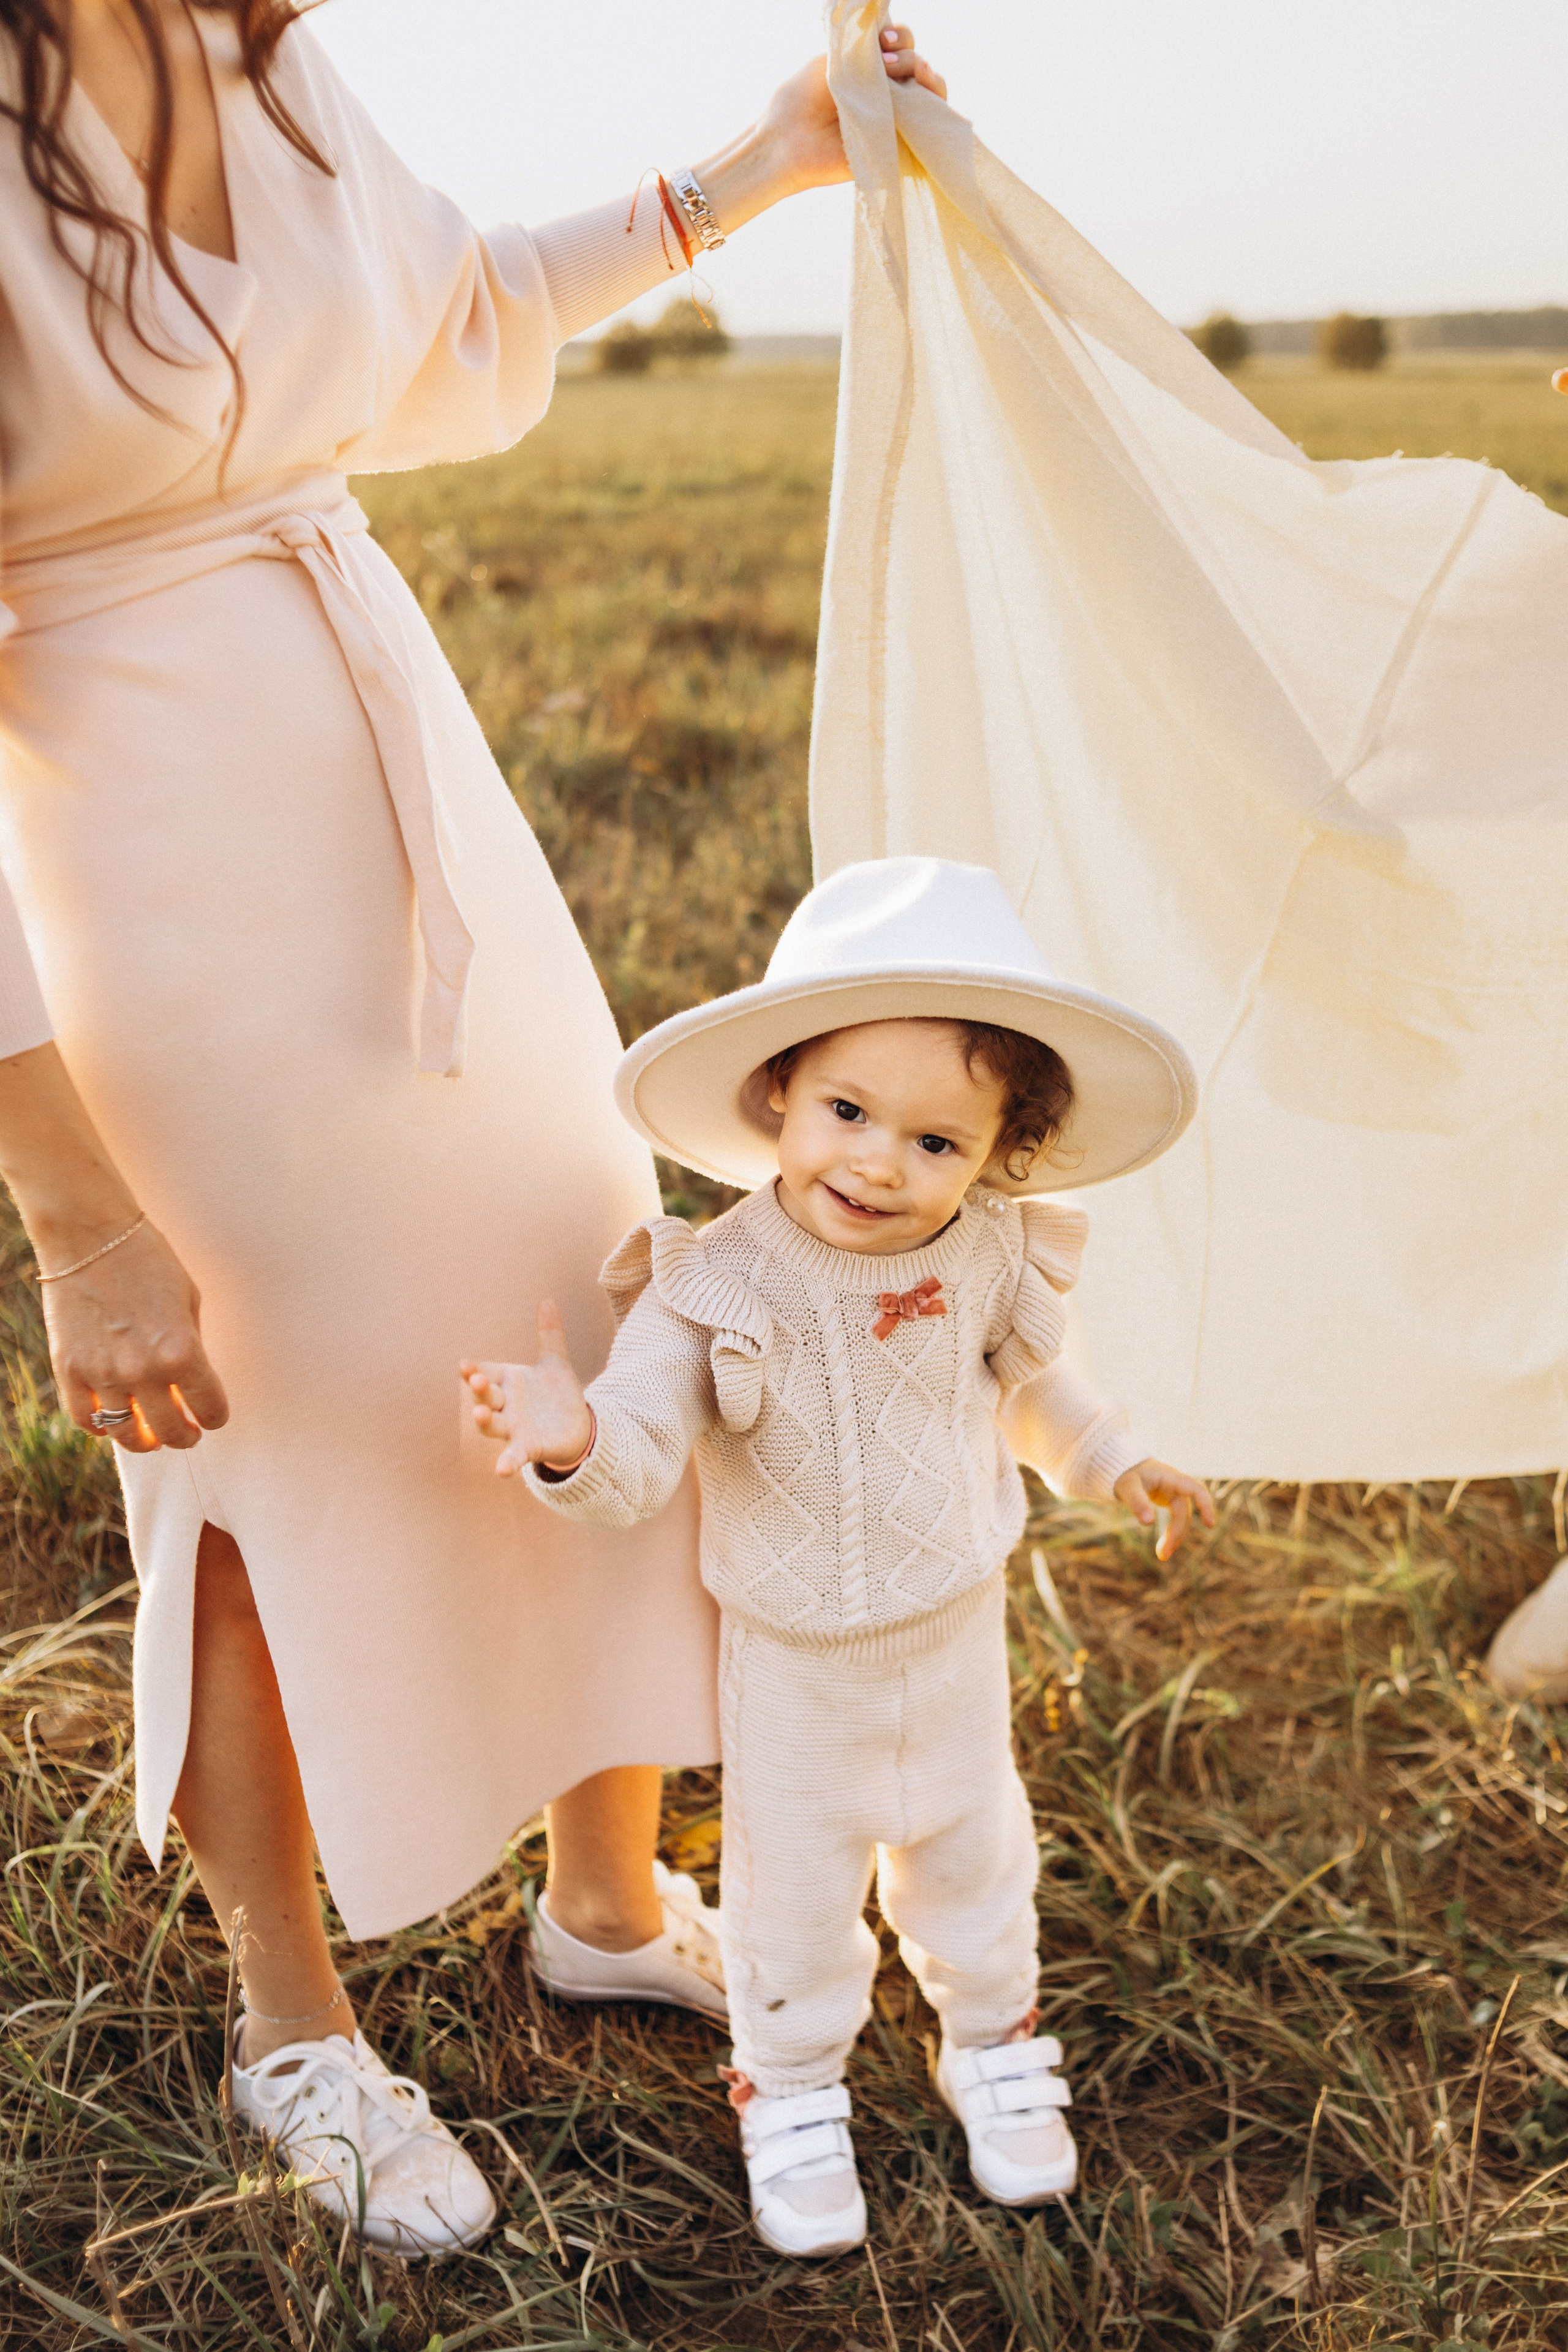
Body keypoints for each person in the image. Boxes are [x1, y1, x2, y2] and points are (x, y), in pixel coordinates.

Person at [0, 0, 946, 2256]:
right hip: (152, 879)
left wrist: (768, 162)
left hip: (419, 820)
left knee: (584, 1281)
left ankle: (603, 1902)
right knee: (268, 1428)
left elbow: (462, 317)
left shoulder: (258, 63)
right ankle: (293, 2029)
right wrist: (74, 1213)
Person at [464, 856, 1216, 2258]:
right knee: (794, 1891)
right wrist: (574, 1433)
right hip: (796, 1661)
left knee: (972, 1848)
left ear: (995, 1157)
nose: (877, 1164)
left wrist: (1113, 1461)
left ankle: (989, 2036)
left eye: (935, 1143)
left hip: (952, 1633)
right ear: (778, 1091)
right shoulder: (715, 1283)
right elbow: (641, 1445)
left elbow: (1034, 1394)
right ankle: (794, 2084)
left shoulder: (984, 1259)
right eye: (847, 1113)